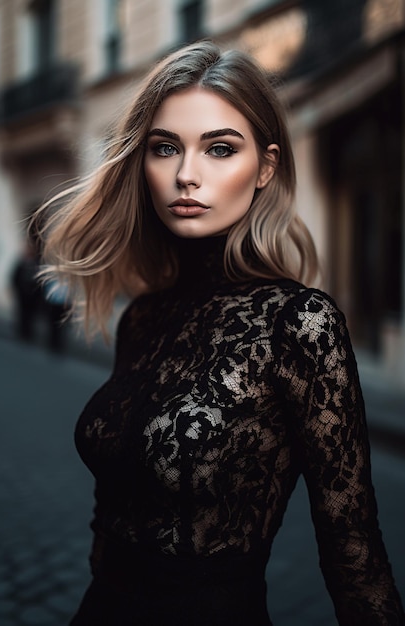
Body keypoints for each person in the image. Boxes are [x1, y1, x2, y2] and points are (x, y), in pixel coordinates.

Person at [34, 41, 404, 626]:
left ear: (265, 167)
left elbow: (353, 553)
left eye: (220, 149)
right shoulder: (144, 316)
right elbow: (109, 521)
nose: (186, 175)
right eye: (164, 149)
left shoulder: (300, 325)